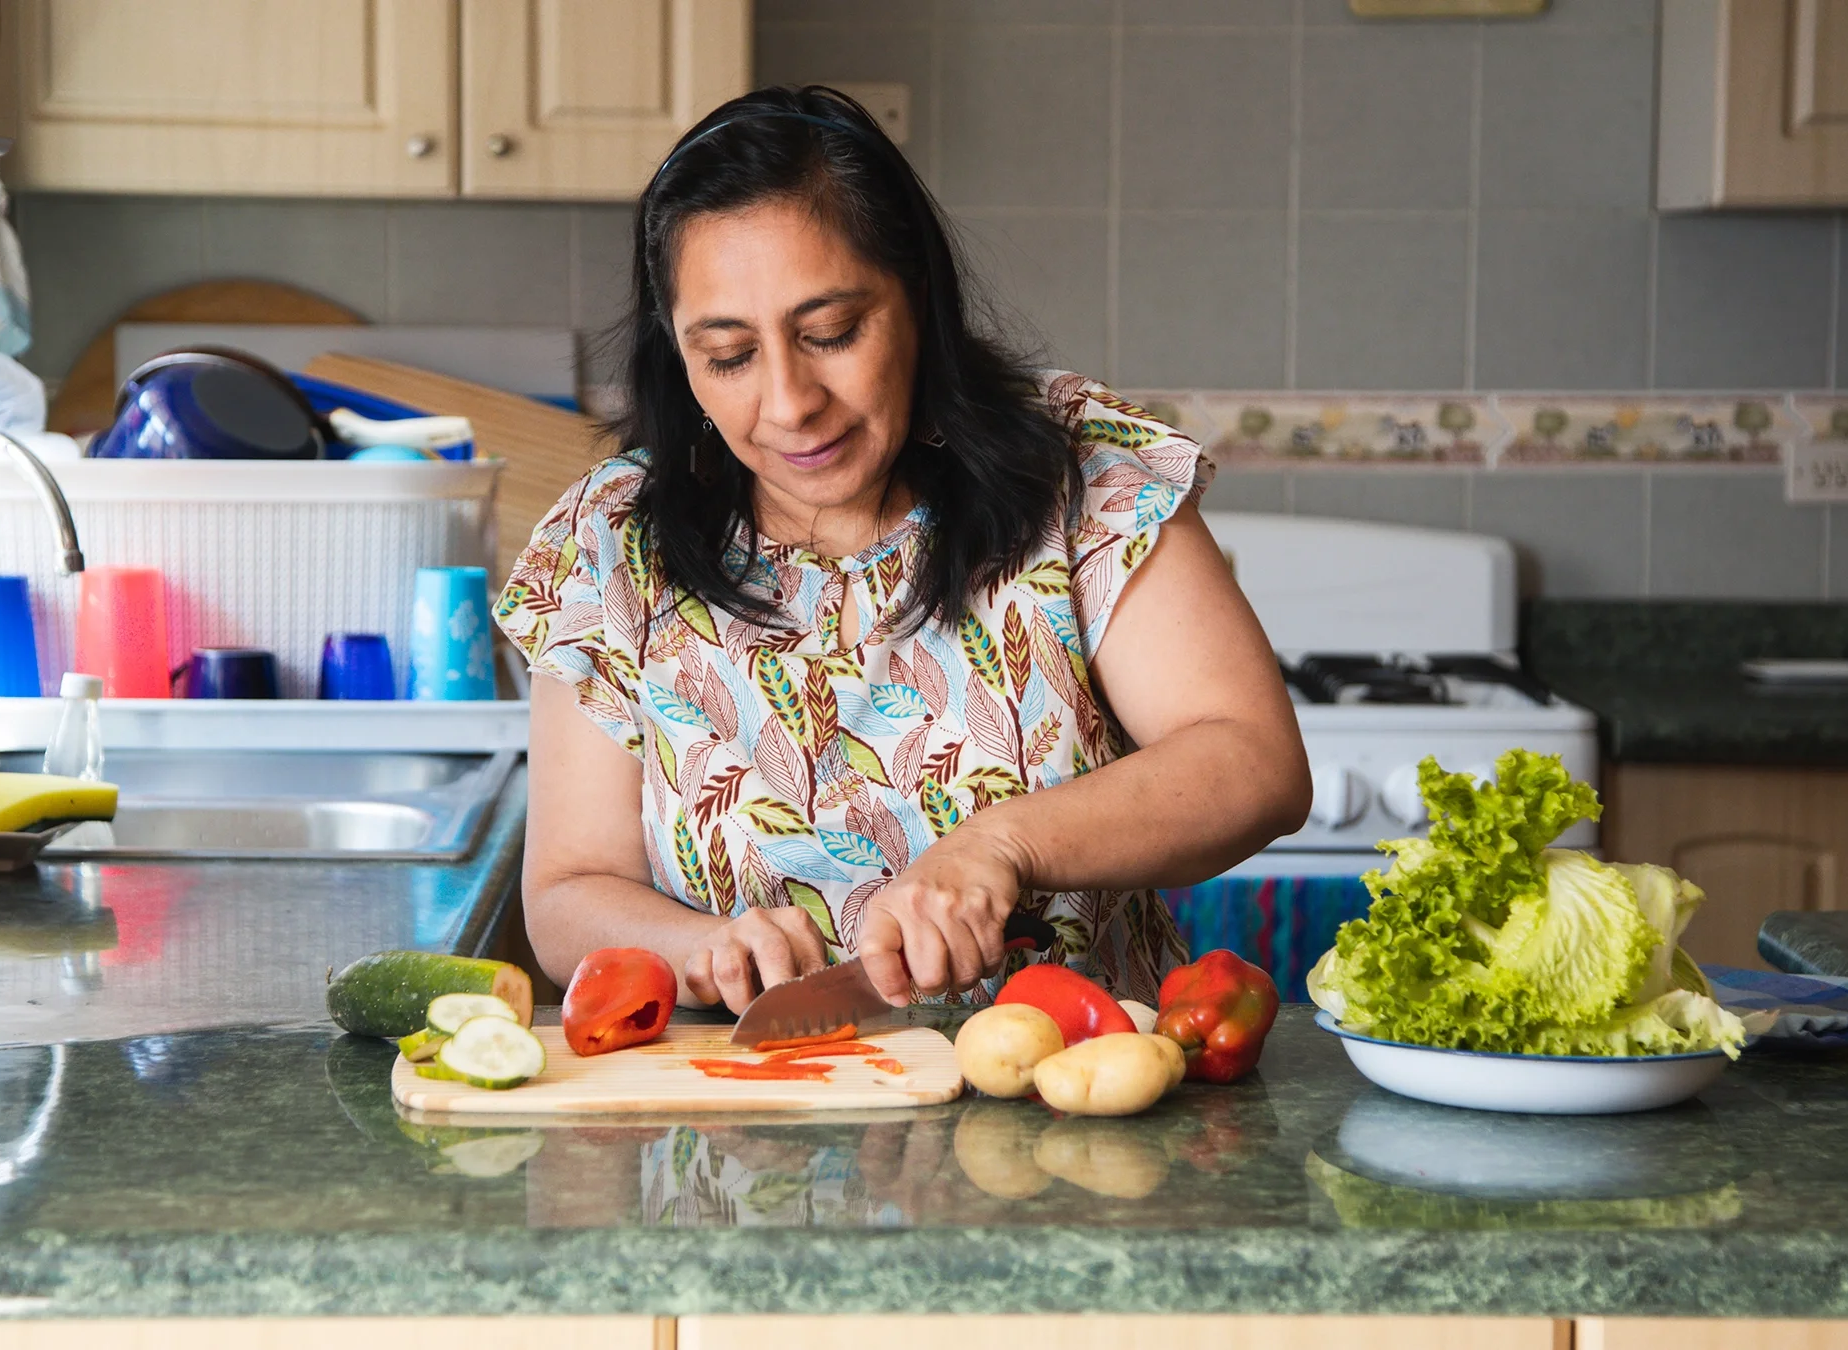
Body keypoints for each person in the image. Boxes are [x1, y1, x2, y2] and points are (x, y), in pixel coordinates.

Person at [495, 85, 1311, 1013]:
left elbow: (1253, 763)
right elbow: (564, 895)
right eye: (728, 355)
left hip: (1076, 1117)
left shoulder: (1082, 480)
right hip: (740, 1129)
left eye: (832, 333)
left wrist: (1004, 843)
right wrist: (705, 949)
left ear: (917, 299)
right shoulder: (609, 547)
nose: (791, 401)